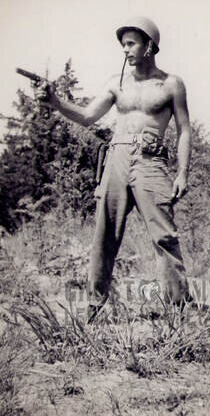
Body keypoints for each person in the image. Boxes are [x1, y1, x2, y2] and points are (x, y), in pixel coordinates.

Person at [36, 17, 192, 322]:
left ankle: (181, 312)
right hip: (117, 157)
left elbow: (184, 130)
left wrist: (182, 172)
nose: (125, 50)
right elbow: (86, 117)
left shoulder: (171, 84)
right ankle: (93, 311)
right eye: (123, 44)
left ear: (150, 45)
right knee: (104, 236)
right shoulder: (115, 83)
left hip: (152, 160)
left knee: (165, 237)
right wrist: (55, 100)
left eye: (131, 43)